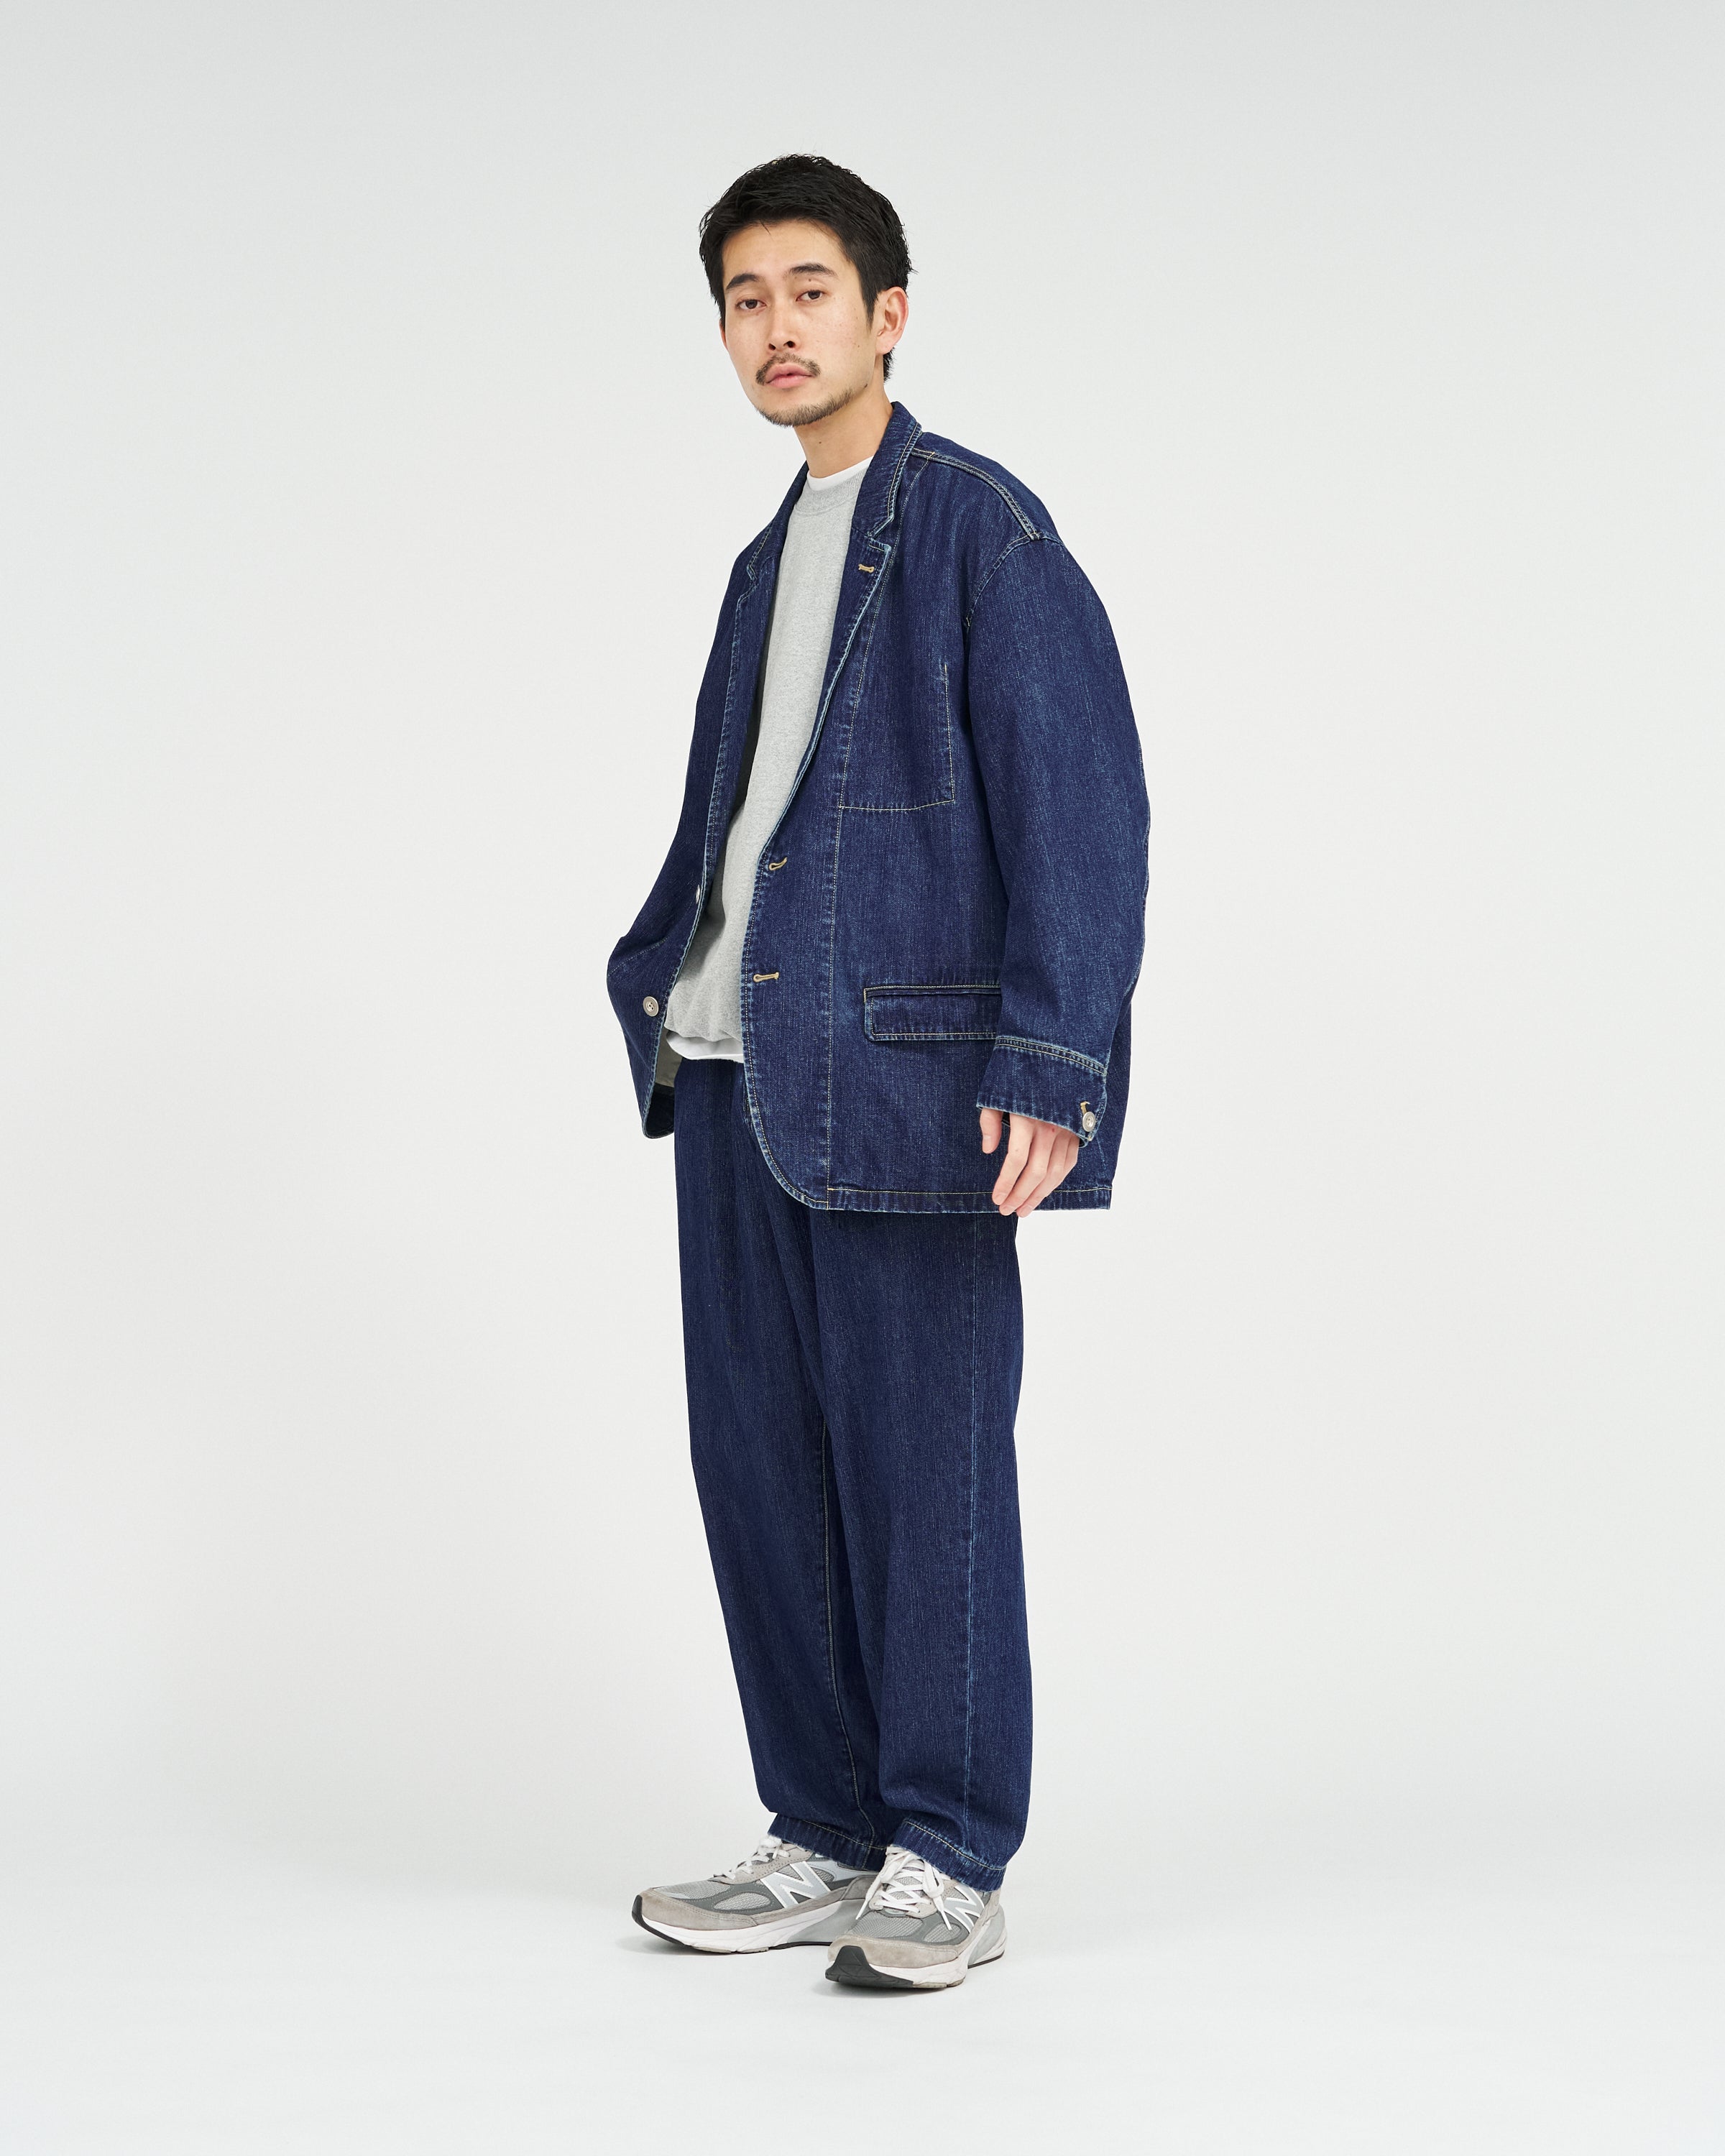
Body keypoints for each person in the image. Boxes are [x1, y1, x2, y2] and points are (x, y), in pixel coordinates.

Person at [606, 154, 1149, 1990]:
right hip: (730, 1071)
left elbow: (1085, 805)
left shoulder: (982, 533)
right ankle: (824, 1825)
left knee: (928, 1470)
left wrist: (1051, 1058)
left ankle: (948, 1850)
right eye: (745, 299)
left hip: (908, 1083)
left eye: (810, 290)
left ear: (887, 314)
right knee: (762, 1469)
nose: (777, 327)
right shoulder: (764, 562)